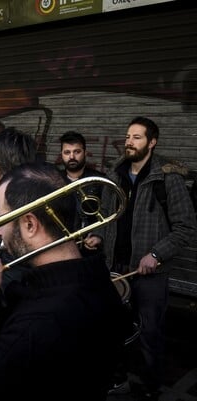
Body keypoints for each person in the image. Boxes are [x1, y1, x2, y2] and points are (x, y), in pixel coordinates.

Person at [0, 162, 131, 401]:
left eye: (1, 219)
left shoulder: (45, 317)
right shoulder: (96, 276)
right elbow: (27, 360)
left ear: (30, 225)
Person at [90, 117, 197, 399]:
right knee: (115, 331)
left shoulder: (168, 177)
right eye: (127, 136)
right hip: (116, 269)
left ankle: (152, 387)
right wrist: (99, 236)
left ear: (152, 142)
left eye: (137, 137)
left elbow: (186, 227)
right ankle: (119, 379)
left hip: (150, 273)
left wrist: (155, 255)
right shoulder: (114, 175)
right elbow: (105, 216)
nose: (129, 142)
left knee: (150, 333)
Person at [59, 131, 106, 255]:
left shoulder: (99, 180)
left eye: (77, 152)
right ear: (61, 155)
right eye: (67, 152)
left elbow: (109, 213)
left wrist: (98, 236)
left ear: (85, 153)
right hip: (60, 249)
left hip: (90, 250)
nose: (72, 157)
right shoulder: (54, 181)